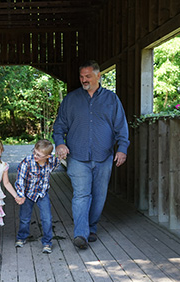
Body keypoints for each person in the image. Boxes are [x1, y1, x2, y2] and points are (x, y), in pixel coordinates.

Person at [52, 60, 130, 249]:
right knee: (81, 194)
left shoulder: (112, 100)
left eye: (87, 76)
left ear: (98, 76)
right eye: (81, 76)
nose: (84, 80)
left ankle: (91, 227)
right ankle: (81, 234)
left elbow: (121, 127)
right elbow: (59, 127)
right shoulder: (71, 100)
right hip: (77, 156)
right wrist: (60, 144)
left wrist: (122, 149)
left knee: (99, 195)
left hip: (104, 156)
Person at [14, 139, 60, 254]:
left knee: (47, 218)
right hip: (28, 194)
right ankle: (22, 237)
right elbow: (20, 179)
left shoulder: (52, 161)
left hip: (42, 194)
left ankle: (47, 242)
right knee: (24, 218)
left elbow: (57, 162)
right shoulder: (27, 162)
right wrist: (20, 195)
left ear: (48, 156)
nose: (35, 156)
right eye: (34, 152)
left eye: (39, 155)